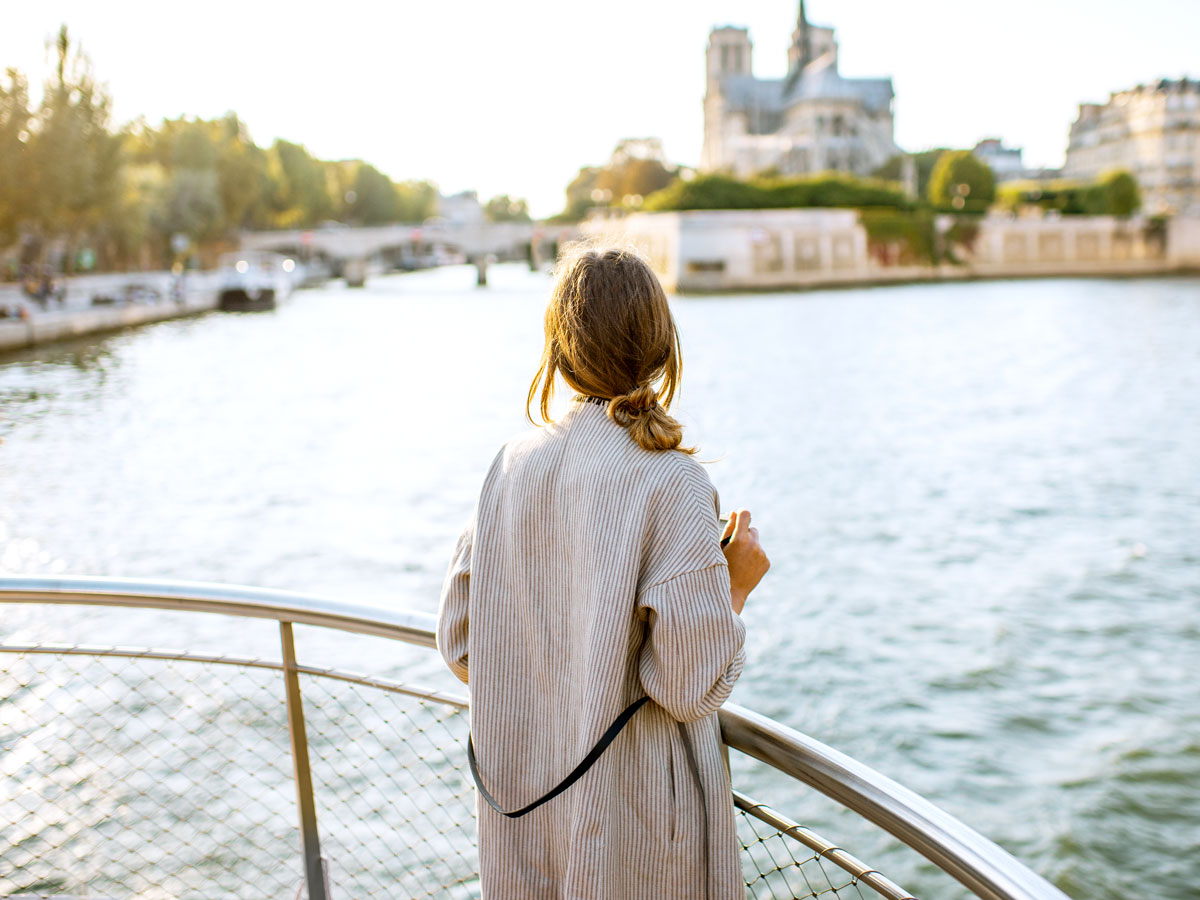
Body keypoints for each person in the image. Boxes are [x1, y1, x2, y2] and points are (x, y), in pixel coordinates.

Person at [437, 246, 770, 900]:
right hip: (636, 836)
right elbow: (686, 684)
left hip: (527, 809)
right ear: (661, 348)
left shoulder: (509, 465)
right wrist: (732, 585)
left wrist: (558, 684)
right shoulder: (672, 482)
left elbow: (459, 642)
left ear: (559, 351)